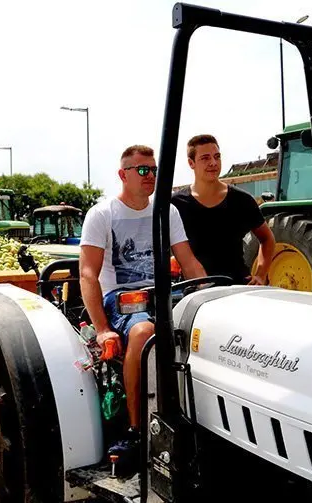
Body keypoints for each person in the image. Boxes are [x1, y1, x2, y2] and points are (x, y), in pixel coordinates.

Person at [79, 144, 207, 473]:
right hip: (121, 298)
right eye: (143, 170)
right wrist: (104, 328)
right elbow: (88, 274)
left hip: (163, 293)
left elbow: (189, 261)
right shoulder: (103, 214)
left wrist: (210, 294)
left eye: (154, 170)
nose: (151, 176)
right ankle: (137, 431)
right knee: (143, 332)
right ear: (123, 175)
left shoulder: (167, 212)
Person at [172, 134, 275, 285]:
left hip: (237, 286)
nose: (213, 163)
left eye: (217, 156)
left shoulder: (242, 200)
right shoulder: (176, 204)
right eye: (205, 158)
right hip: (195, 291)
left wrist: (260, 274)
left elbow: (267, 238)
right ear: (191, 163)